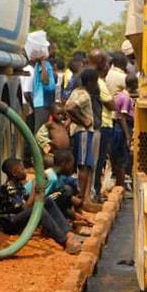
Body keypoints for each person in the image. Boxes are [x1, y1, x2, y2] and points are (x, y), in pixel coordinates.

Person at [0, 158, 83, 254]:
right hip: (9, 223)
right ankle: (64, 240)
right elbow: (26, 208)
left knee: (47, 201)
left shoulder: (18, 185)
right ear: (14, 173)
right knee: (38, 211)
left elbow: (32, 201)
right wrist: (34, 186)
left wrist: (41, 184)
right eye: (23, 169)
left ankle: (68, 233)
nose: (26, 171)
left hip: (19, 216)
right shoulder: (9, 188)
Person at [64, 68, 99, 207]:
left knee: (87, 165)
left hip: (79, 131)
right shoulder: (84, 95)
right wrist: (83, 120)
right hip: (84, 132)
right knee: (84, 165)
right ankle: (81, 198)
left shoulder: (75, 92)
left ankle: (85, 198)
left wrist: (75, 120)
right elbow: (71, 108)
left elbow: (67, 107)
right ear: (90, 82)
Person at [89, 49, 115, 203]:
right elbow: (111, 104)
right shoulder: (99, 83)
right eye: (106, 63)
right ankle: (95, 193)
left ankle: (96, 191)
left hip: (103, 125)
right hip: (103, 125)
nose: (108, 67)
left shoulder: (100, 82)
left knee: (99, 162)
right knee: (97, 162)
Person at [114, 74, 136, 187]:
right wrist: (127, 135)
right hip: (122, 129)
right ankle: (121, 185)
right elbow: (122, 117)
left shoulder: (120, 95)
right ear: (134, 85)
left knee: (119, 158)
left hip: (119, 128)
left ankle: (120, 184)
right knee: (122, 158)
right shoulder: (126, 98)